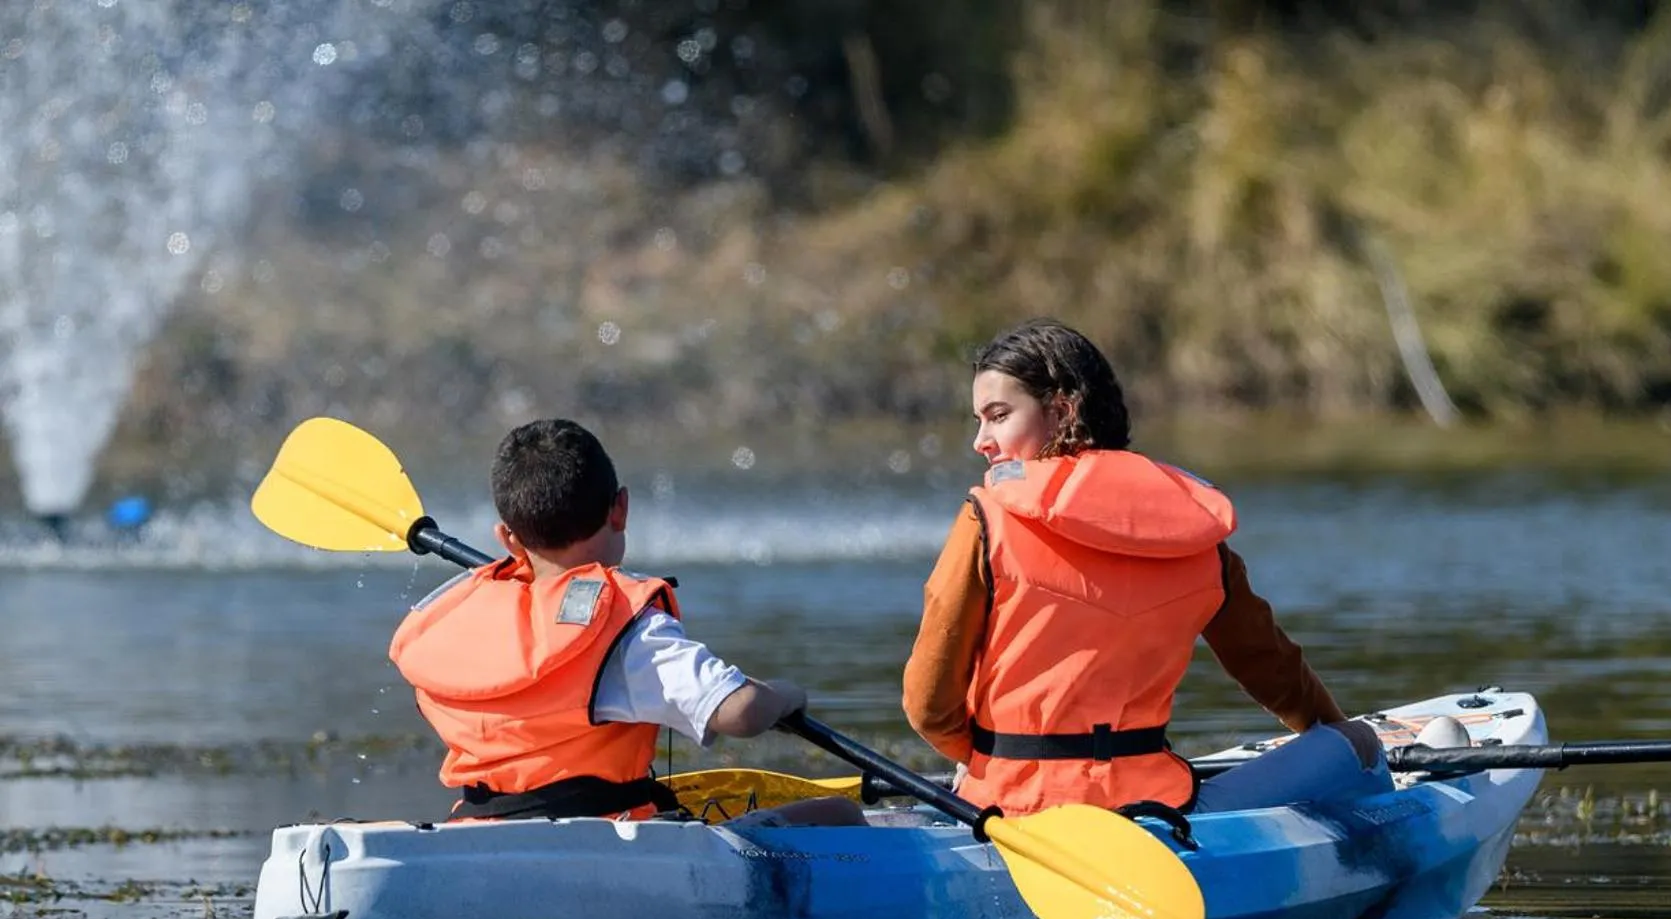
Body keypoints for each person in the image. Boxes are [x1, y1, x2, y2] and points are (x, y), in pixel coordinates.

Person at [902, 318, 1389, 818]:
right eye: (980, 420)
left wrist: (980, 760)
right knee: (1357, 744)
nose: (981, 440)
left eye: (998, 416)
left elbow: (928, 706)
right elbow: (1271, 667)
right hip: (1154, 809)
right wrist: (1331, 732)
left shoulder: (986, 519)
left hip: (1008, 809)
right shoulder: (1192, 528)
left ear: (1063, 408)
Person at [390, 418, 863, 826]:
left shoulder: (463, 612)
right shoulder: (624, 627)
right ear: (621, 509)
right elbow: (737, 713)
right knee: (841, 815)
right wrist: (782, 696)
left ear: (507, 537)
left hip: (475, 827)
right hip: (606, 841)